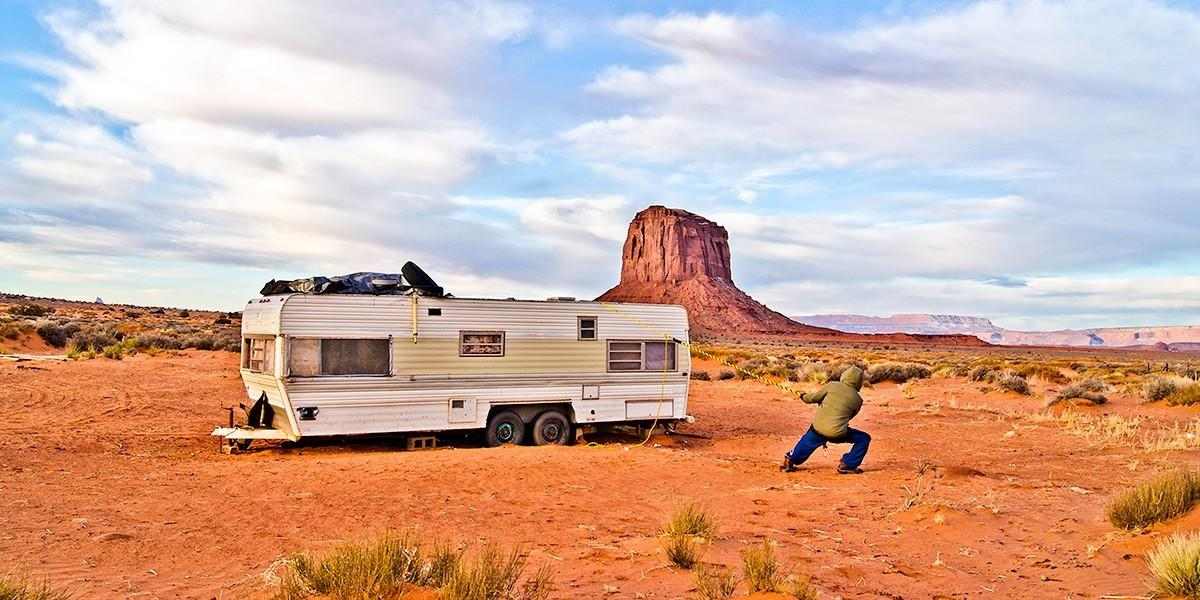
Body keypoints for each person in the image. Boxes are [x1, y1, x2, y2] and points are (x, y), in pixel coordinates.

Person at [780, 366, 871, 474]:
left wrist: (803, 396)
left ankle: (791, 459)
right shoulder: (858, 399)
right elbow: (849, 416)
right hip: (838, 433)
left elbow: (812, 398)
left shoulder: (832, 386)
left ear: (844, 376)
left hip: (818, 429)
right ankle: (848, 465)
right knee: (864, 438)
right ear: (859, 382)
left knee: (807, 441)